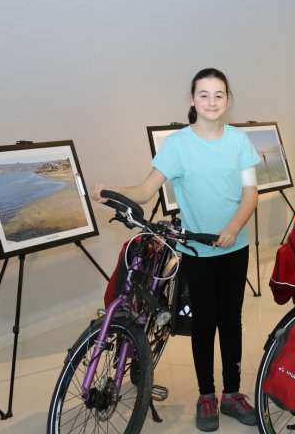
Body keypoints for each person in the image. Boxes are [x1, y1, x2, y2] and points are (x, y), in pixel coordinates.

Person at [91, 68, 261, 432]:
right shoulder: (177, 144)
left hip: (235, 247)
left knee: (231, 321)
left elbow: (250, 194)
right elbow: (145, 190)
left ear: (228, 100)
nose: (212, 101)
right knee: (204, 323)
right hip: (197, 251)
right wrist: (112, 192)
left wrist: (233, 228)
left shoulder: (239, 141)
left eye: (218, 95)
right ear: (192, 99)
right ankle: (206, 395)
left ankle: (232, 394)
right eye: (204, 94)